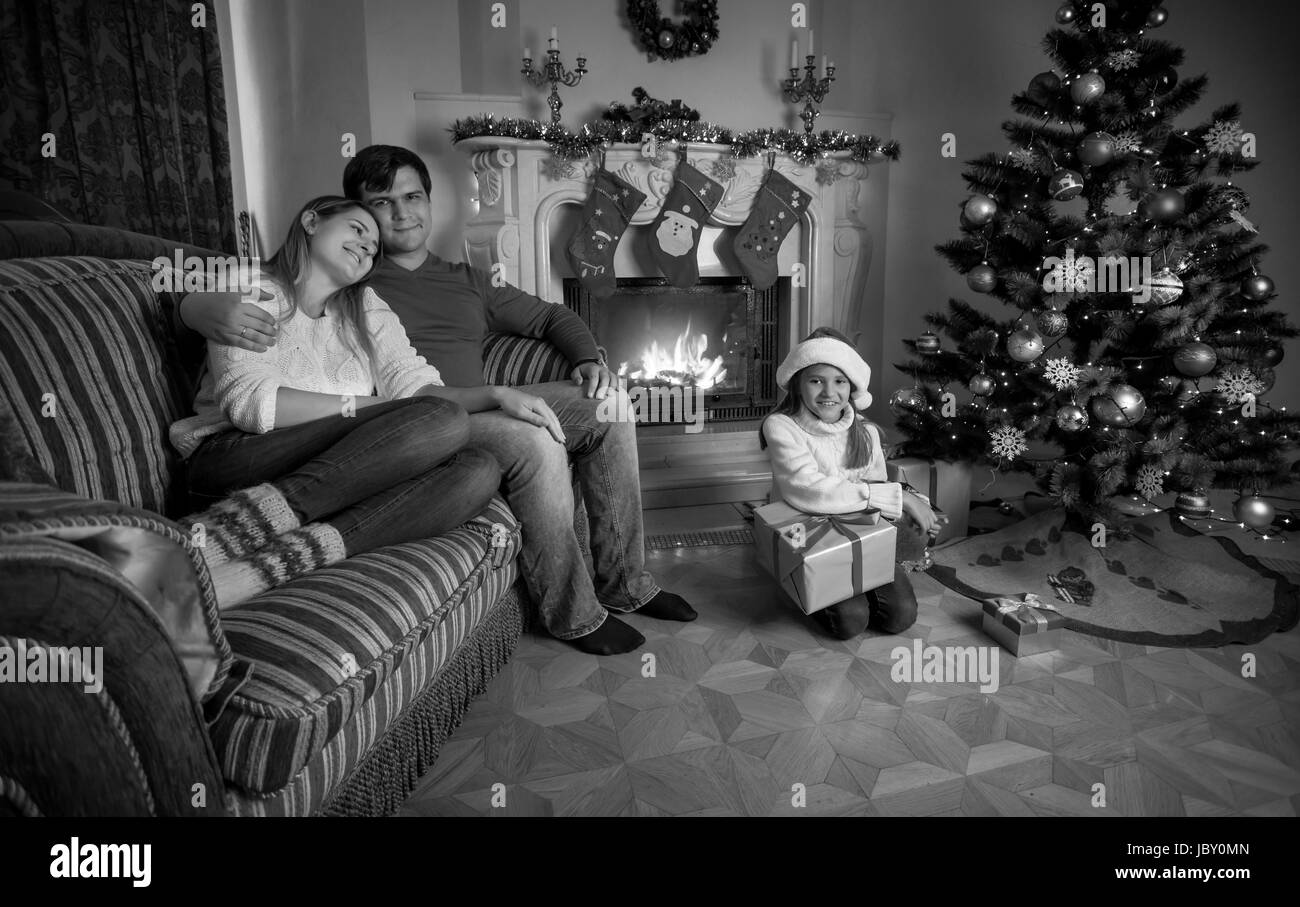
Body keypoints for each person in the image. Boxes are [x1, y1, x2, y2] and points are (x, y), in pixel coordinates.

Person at [178, 147, 696, 654]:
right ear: (319, 219)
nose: (398, 215)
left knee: (604, 409)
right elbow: (251, 382)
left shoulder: (417, 289)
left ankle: (626, 582)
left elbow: (534, 325)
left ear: (430, 201)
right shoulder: (318, 282)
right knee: (514, 438)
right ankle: (574, 614)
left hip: (420, 416)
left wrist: (585, 362)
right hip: (384, 428)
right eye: (377, 207)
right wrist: (192, 306)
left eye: (412, 197)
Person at [170, 196, 500, 608]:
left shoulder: (367, 307)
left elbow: (415, 389)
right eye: (357, 230)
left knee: (478, 468)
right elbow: (251, 404)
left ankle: (280, 561)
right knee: (444, 419)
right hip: (233, 455)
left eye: (374, 246)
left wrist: (497, 394)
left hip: (329, 464)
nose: (366, 246)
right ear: (310, 221)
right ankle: (233, 531)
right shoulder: (249, 284)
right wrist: (370, 407)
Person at [759, 328, 939, 639]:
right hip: (807, 533)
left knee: (901, 616)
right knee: (850, 622)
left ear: (852, 387)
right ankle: (798, 584)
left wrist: (912, 507)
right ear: (798, 386)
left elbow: (877, 491)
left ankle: (863, 582)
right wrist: (898, 497)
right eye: (816, 380)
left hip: (858, 533)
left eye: (839, 381)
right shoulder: (781, 427)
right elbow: (809, 490)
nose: (829, 392)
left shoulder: (865, 432)